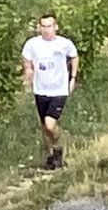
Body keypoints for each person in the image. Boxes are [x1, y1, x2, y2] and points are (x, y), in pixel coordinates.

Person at [20, 13, 79, 170]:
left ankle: (59, 144)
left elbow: (74, 57)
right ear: (39, 28)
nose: (46, 30)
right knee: (44, 126)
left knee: (50, 123)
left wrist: (73, 78)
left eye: (49, 26)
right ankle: (53, 155)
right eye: (43, 26)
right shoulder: (33, 44)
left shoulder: (64, 44)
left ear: (56, 27)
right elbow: (26, 59)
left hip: (59, 89)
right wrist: (28, 70)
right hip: (41, 89)